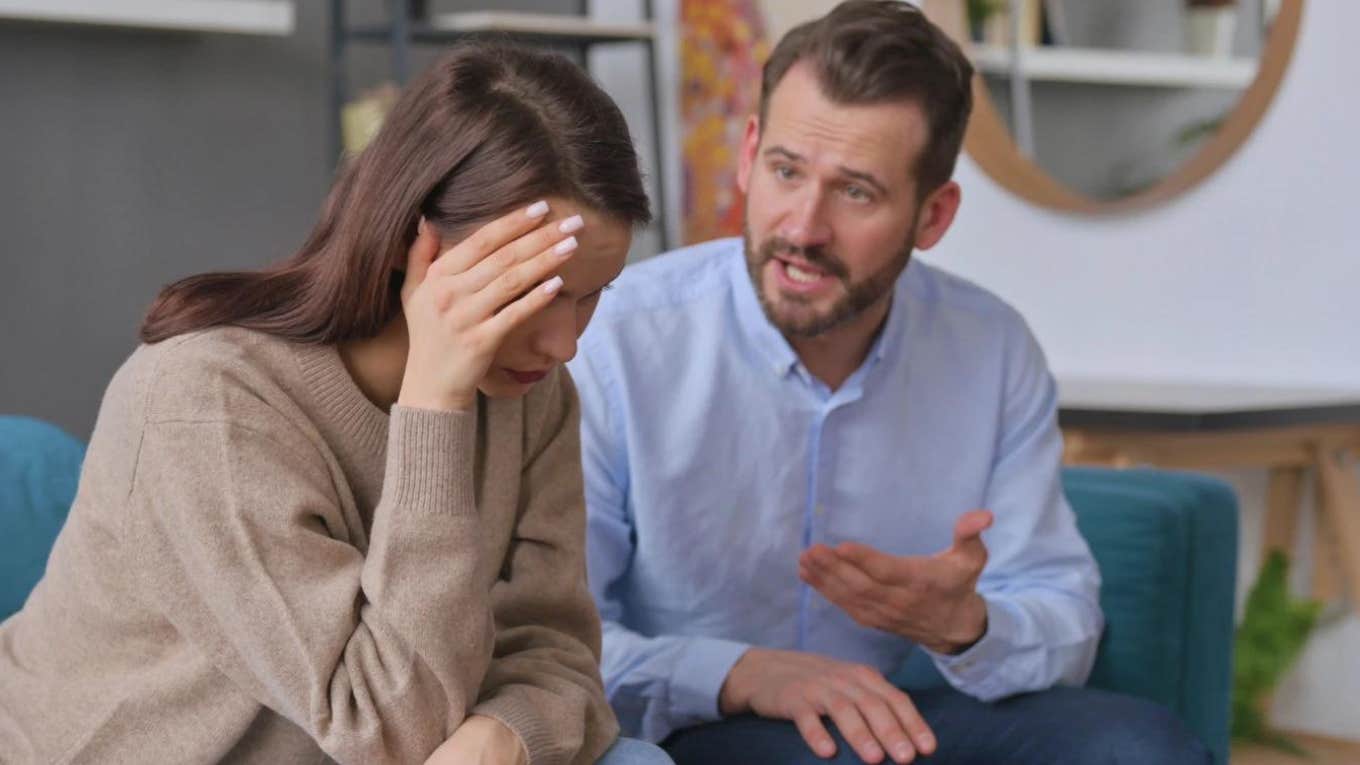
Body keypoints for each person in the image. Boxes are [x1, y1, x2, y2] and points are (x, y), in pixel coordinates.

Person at [568, 2, 1212, 763]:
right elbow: (558, 644)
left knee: (1142, 747)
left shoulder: (992, 350)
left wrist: (965, 623)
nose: (803, 227)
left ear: (933, 215)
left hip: (903, 712)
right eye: (785, 171)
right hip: (701, 720)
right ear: (748, 156)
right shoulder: (617, 340)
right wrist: (743, 671)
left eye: (857, 192)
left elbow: (1064, 614)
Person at [0, 44, 672, 765]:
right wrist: (434, 405)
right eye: (532, 291)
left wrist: (507, 734)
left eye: (592, 294)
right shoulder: (207, 404)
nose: (566, 343)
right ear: (410, 241)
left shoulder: (532, 396)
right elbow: (385, 725)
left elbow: (557, 648)